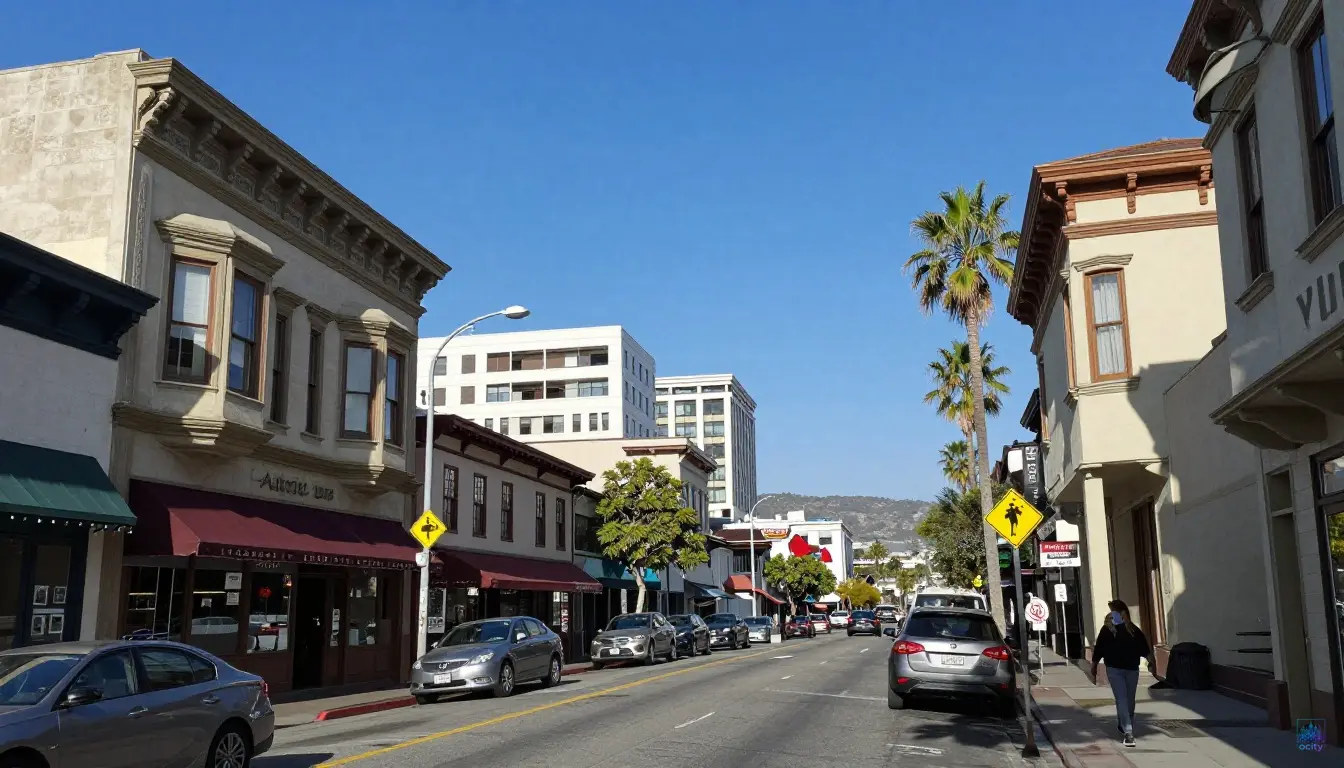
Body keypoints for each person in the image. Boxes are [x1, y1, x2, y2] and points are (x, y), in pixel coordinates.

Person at [1090, 599, 1156, 748]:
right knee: (1122, 698)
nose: (1112, 615)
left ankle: (1124, 724)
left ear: (1122, 613)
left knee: (1130, 700)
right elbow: (1099, 648)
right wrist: (1094, 665)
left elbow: (1143, 647)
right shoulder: (1106, 630)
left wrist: (1151, 661)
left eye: (1114, 612)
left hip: (1132, 669)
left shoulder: (1133, 630)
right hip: (1114, 669)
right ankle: (1128, 731)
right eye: (1111, 612)